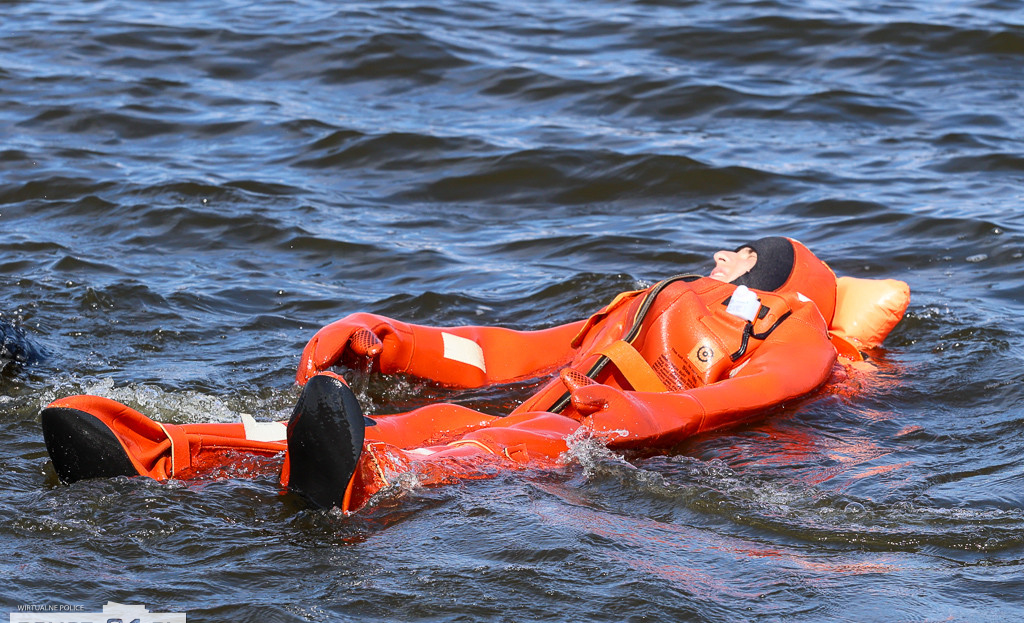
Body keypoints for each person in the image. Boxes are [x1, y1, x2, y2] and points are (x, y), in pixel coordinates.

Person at [41, 237, 909, 513]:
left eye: (738, 248)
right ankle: (158, 447)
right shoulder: (642, 303)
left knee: (481, 441)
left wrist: (642, 419)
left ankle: (360, 479)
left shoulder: (800, 329)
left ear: (765, 268)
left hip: (605, 430)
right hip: (562, 407)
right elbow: (505, 354)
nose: (719, 251)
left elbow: (751, 392)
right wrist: (390, 339)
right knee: (416, 420)